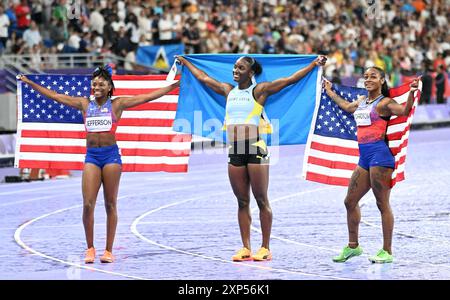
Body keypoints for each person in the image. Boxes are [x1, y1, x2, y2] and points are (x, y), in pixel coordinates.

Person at [17, 66, 180, 263]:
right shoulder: (84, 104)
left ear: (110, 86)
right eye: (94, 84)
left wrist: (175, 85)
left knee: (110, 204)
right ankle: (90, 248)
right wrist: (29, 83)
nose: (96, 87)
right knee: (87, 204)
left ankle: (109, 250)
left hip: (111, 157)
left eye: (101, 84)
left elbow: (148, 96)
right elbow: (55, 96)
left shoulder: (117, 104)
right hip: (92, 157)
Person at [176, 55, 327, 261]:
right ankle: (246, 247)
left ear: (251, 72)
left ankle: (265, 247)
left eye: (241, 68)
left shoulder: (259, 91)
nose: (235, 70)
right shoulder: (228, 91)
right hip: (235, 150)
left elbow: (290, 80)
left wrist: (313, 65)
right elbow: (203, 78)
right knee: (241, 201)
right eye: (235, 67)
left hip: (255, 148)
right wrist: (186, 62)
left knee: (261, 199)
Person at [323, 67, 419, 264]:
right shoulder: (361, 102)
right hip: (364, 159)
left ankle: (387, 251)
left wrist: (411, 92)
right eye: (365, 76)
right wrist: (330, 91)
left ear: (382, 80)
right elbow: (346, 107)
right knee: (349, 201)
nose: (368, 79)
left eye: (373, 76)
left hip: (380, 157)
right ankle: (353, 247)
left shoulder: (385, 103)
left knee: (382, 204)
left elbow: (404, 111)